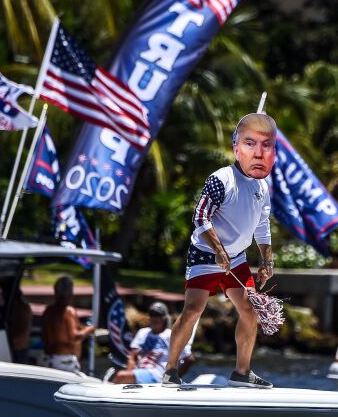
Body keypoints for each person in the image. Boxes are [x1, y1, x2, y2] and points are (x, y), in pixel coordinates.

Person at [163, 113, 278, 388]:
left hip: (237, 259)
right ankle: (169, 369)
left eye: (265, 146)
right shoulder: (220, 179)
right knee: (193, 310)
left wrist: (267, 261)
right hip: (205, 254)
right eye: (249, 144)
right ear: (237, 149)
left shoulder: (262, 185)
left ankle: (241, 372)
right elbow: (200, 217)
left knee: (250, 311)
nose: (258, 153)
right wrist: (218, 250)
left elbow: (262, 226)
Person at [110, 302, 194, 384]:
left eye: (158, 315)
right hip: (140, 372)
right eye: (152, 315)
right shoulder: (143, 333)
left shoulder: (170, 335)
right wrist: (129, 374)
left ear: (164, 318)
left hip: (157, 374)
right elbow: (132, 357)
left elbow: (189, 359)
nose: (154, 318)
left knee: (121, 376)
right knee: (118, 375)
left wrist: (174, 377)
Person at [41, 275, 95, 373]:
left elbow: (44, 336)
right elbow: (74, 336)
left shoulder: (48, 311)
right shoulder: (68, 311)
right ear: (70, 292)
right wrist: (90, 329)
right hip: (64, 362)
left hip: (48, 358)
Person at [8, 287, 33, 364]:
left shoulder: (21, 309)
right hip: (20, 347)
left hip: (19, 348)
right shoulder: (23, 308)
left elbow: (22, 335)